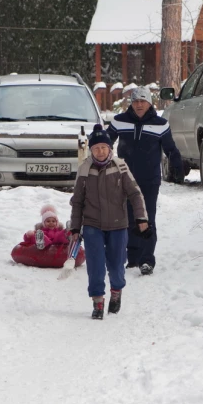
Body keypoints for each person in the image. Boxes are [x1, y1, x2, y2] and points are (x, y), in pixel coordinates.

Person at [70, 124, 150, 320]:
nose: (100, 151)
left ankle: (116, 291)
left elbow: (135, 194)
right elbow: (77, 201)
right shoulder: (84, 170)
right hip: (92, 225)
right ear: (91, 150)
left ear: (109, 149)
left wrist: (141, 218)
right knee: (95, 266)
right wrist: (74, 227)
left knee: (116, 265)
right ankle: (98, 302)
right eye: (96, 148)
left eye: (103, 147)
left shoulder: (120, 166)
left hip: (117, 224)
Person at [107, 86, 184, 275]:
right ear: (131, 104)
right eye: (136, 101)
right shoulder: (119, 121)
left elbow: (170, 149)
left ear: (150, 103)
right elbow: (105, 142)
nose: (139, 105)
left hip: (149, 180)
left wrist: (179, 167)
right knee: (128, 218)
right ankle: (132, 257)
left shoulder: (160, 124)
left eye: (143, 101)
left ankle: (147, 259)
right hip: (124, 178)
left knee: (147, 217)